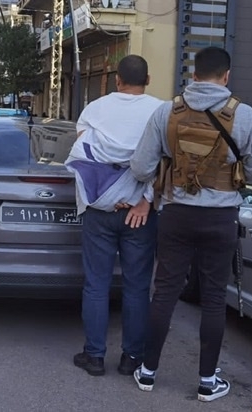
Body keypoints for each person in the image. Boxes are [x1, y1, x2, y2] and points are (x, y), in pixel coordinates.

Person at [129, 47, 252, 401]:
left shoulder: (168, 111)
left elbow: (140, 168)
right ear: (226, 76)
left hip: (176, 214)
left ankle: (147, 372)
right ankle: (207, 382)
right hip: (221, 217)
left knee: (164, 291)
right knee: (213, 298)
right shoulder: (245, 115)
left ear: (193, 75)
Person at [65, 54, 164, 377]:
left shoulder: (95, 109)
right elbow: (166, 164)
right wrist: (142, 200)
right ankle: (132, 358)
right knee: (137, 287)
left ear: (116, 81)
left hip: (100, 211)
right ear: (147, 80)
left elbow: (86, 157)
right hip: (141, 212)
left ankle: (94, 356)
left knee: (96, 284)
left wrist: (110, 194)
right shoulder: (161, 112)